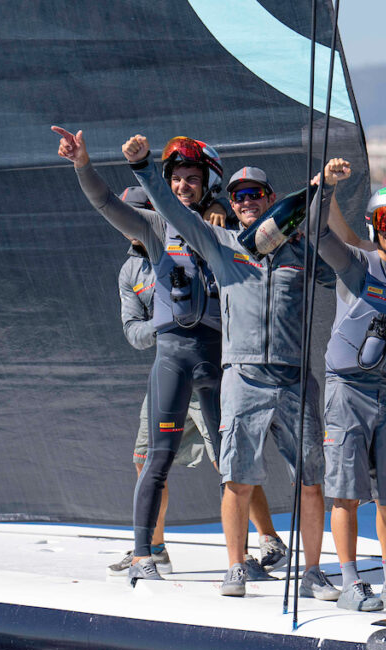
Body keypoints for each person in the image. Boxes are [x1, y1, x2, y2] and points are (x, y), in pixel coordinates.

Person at [121, 134, 340, 600]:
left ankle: (314, 571)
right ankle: (230, 566)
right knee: (235, 476)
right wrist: (141, 166)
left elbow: (334, 265)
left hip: (295, 377)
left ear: (271, 200)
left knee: (312, 480)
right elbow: (175, 212)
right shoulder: (220, 242)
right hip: (239, 375)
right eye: (238, 195)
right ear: (229, 201)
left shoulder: (298, 245)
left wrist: (324, 195)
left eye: (255, 195)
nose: (246, 202)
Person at [54, 127, 227, 586]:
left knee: (232, 463)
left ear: (208, 184)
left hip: (217, 358)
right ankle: (143, 555)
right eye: (176, 178)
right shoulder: (152, 227)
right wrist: (83, 166)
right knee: (155, 458)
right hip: (172, 358)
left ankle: (243, 558)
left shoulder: (223, 226)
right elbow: (106, 204)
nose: (182, 186)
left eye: (192, 178)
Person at [106, 190, 286, 576]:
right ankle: (153, 548)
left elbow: (233, 246)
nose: (130, 219)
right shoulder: (129, 272)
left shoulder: (192, 237)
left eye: (139, 211)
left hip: (211, 368)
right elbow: (132, 332)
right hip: (169, 372)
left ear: (155, 213)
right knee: (146, 460)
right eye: (125, 212)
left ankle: (266, 540)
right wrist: (168, 320)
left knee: (232, 463)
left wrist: (219, 209)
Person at [309, 166, 386, 613]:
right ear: (373, 227)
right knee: (346, 491)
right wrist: (326, 186)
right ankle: (351, 584)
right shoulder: (357, 263)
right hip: (348, 391)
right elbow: (319, 235)